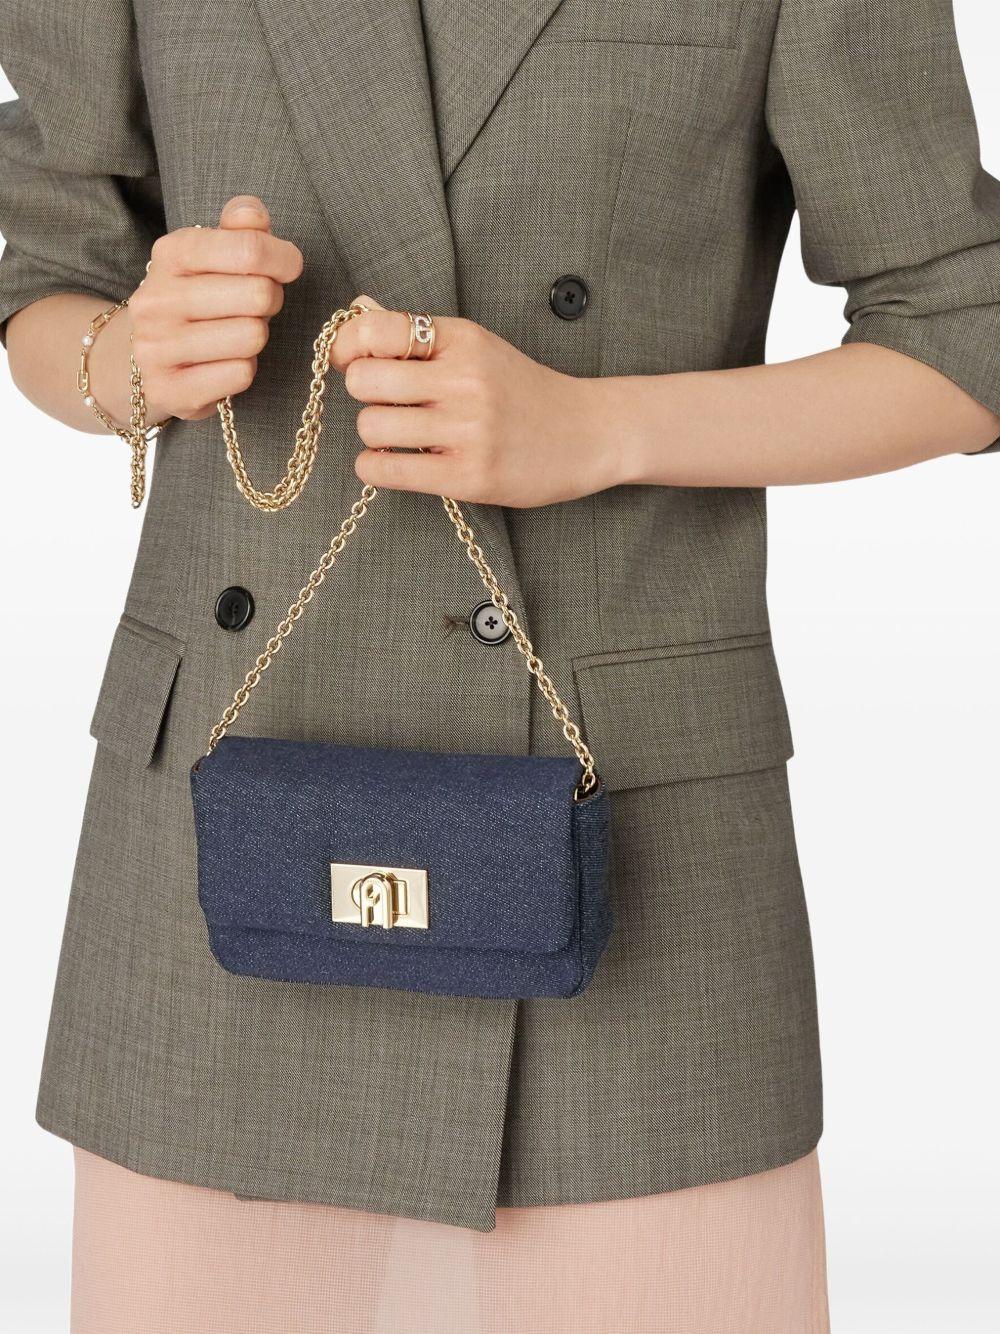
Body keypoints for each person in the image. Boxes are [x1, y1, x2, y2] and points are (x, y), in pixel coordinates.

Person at [1, 1, 997, 1330]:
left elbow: (964, 330)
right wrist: (128, 354)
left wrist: (597, 428)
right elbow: (45, 279)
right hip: (220, 849)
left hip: (630, 846)